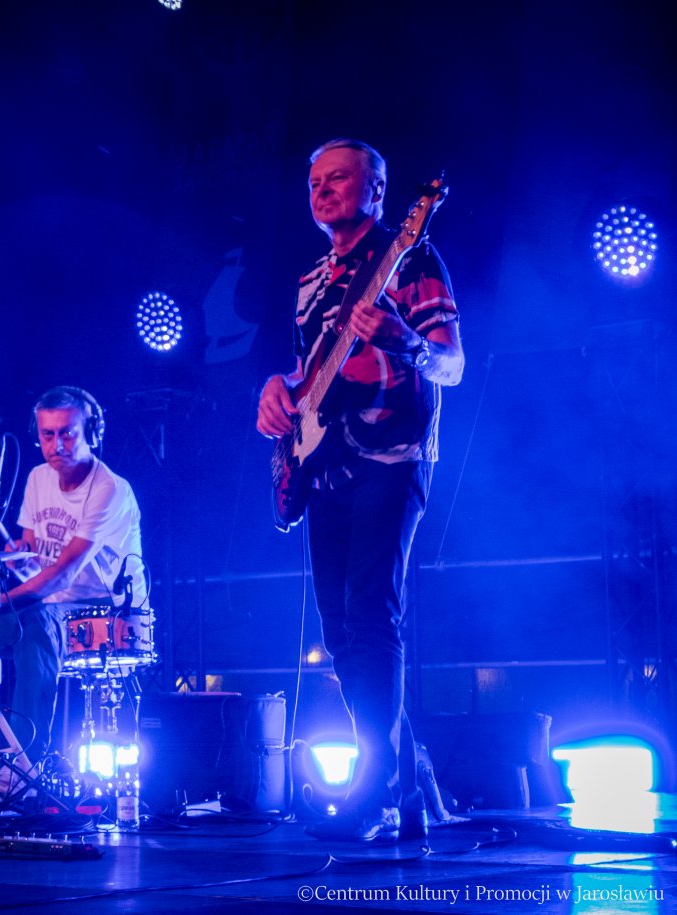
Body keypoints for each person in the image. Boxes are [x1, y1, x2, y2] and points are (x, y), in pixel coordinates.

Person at [257, 139, 464, 842]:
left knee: (371, 615)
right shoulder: (311, 278)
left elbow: (453, 364)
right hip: (325, 465)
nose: (323, 189)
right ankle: (407, 784)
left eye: (340, 178)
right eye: (315, 180)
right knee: (341, 633)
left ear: (377, 191)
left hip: (392, 453)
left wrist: (406, 341)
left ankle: (376, 789)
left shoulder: (411, 259)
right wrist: (276, 392)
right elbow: (306, 371)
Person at [0, 385, 145, 769]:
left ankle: (21, 768)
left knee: (33, 626)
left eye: (68, 433)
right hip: (47, 604)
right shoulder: (37, 478)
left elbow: (61, 575)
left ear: (92, 433)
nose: (57, 445)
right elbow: (30, 559)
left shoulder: (108, 489)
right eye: (48, 435)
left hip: (100, 614)